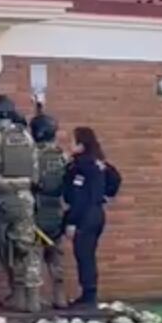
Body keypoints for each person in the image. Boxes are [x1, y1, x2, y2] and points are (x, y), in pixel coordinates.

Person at [0, 95, 43, 314]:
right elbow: (35, 169)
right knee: (26, 249)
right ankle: (30, 299)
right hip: (24, 199)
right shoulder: (25, 135)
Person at [65, 126, 120, 308]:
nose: (70, 145)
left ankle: (88, 296)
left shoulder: (80, 166)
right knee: (88, 254)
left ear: (81, 145)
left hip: (85, 216)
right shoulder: (98, 163)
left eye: (73, 141)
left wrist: (72, 222)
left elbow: (79, 197)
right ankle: (88, 294)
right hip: (97, 213)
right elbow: (115, 179)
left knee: (84, 255)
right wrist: (105, 194)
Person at [29, 110, 70, 310]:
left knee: (33, 257)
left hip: (36, 211)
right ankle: (60, 297)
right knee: (56, 257)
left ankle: (34, 300)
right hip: (57, 212)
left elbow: (30, 181)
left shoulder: (32, 155)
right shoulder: (62, 155)